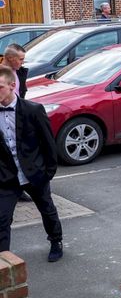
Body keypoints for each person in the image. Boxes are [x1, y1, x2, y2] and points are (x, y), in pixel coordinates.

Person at [0, 65, 63, 260]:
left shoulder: (33, 110)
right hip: (6, 177)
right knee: (2, 219)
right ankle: (4, 260)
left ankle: (56, 241)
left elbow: (48, 143)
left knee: (47, 209)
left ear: (12, 85)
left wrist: (48, 172)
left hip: (34, 173)